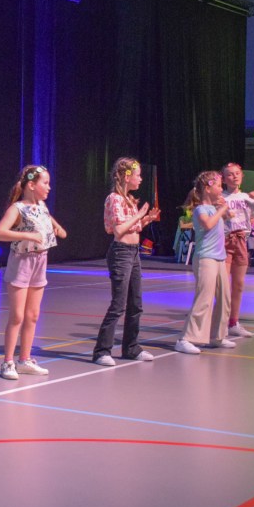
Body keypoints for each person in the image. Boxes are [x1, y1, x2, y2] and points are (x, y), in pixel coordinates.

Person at [0, 165, 67, 379]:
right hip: (22, 262)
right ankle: (8, 362)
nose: (49, 187)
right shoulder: (17, 208)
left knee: (32, 315)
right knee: (17, 315)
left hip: (40, 261)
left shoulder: (42, 206)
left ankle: (24, 360)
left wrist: (57, 228)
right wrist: (27, 236)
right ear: (32, 185)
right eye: (45, 183)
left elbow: (53, 225)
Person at [92, 157, 159, 366]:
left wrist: (146, 219)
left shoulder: (129, 199)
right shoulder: (114, 199)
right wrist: (139, 215)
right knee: (118, 304)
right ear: (126, 176)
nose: (141, 179)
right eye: (138, 175)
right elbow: (119, 230)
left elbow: (133, 228)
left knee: (136, 303)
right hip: (121, 252)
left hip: (134, 252)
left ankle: (131, 348)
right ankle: (102, 351)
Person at [174, 171, 234, 355]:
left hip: (219, 258)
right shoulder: (200, 209)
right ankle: (186, 338)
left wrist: (224, 209)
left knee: (224, 298)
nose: (221, 189)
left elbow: (229, 218)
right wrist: (221, 210)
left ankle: (217, 336)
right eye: (219, 186)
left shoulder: (215, 208)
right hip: (205, 258)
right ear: (208, 188)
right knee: (204, 299)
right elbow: (208, 224)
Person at [220, 162, 254, 338]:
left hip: (241, 241)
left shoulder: (247, 198)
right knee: (223, 285)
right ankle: (221, 323)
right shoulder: (220, 197)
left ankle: (234, 322)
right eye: (230, 174)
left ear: (242, 176)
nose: (234, 176)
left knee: (239, 285)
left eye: (237, 173)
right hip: (224, 241)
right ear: (223, 179)